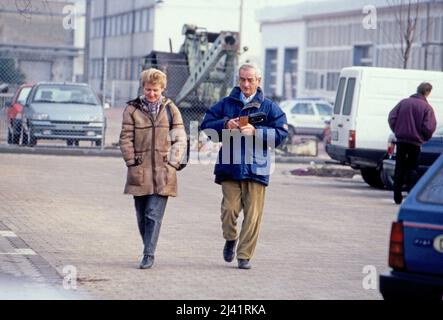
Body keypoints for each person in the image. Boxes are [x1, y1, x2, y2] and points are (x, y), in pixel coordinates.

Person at [200, 63, 288, 269]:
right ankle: (230, 238)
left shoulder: (269, 106)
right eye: (242, 79)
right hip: (230, 166)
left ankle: (244, 255)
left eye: (250, 80)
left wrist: (257, 133)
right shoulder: (226, 103)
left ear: (258, 81)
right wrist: (225, 124)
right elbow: (206, 124)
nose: (246, 84)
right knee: (229, 210)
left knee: (253, 215)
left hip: (257, 168)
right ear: (238, 80)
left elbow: (282, 134)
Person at [119, 68, 186, 269]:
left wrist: (173, 163)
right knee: (141, 215)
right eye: (148, 89)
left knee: (153, 214)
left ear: (162, 89)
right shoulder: (132, 109)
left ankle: (149, 254)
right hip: (139, 171)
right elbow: (125, 138)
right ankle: (147, 245)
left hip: (164, 172)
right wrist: (131, 161)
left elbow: (180, 138)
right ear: (143, 88)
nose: (152, 94)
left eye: (156, 90)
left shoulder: (171, 109)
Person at [388, 82, 436, 205]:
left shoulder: (403, 102)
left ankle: (397, 196)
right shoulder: (427, 108)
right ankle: (410, 194)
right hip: (415, 143)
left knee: (399, 167)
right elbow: (429, 127)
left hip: (402, 141)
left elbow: (392, 117)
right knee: (412, 168)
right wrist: (423, 137)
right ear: (427, 92)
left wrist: (397, 130)